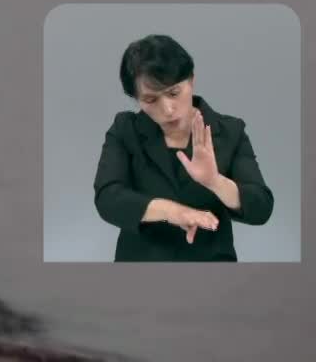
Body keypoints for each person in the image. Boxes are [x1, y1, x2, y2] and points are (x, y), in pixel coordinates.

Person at [92, 34, 274, 261]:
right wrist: (172, 212)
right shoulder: (125, 129)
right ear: (136, 98)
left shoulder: (231, 131)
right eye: (151, 100)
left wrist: (215, 182)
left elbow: (261, 207)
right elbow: (108, 198)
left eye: (174, 93)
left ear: (192, 80)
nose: (168, 109)